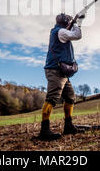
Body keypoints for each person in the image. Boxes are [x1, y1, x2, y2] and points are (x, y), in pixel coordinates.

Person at [39, 12, 84, 140]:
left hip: (61, 72)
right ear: (65, 23)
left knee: (70, 97)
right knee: (52, 98)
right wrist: (78, 23)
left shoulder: (59, 31)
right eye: (68, 21)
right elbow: (77, 35)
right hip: (55, 71)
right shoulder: (61, 32)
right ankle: (44, 130)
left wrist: (73, 23)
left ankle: (68, 126)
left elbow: (71, 33)